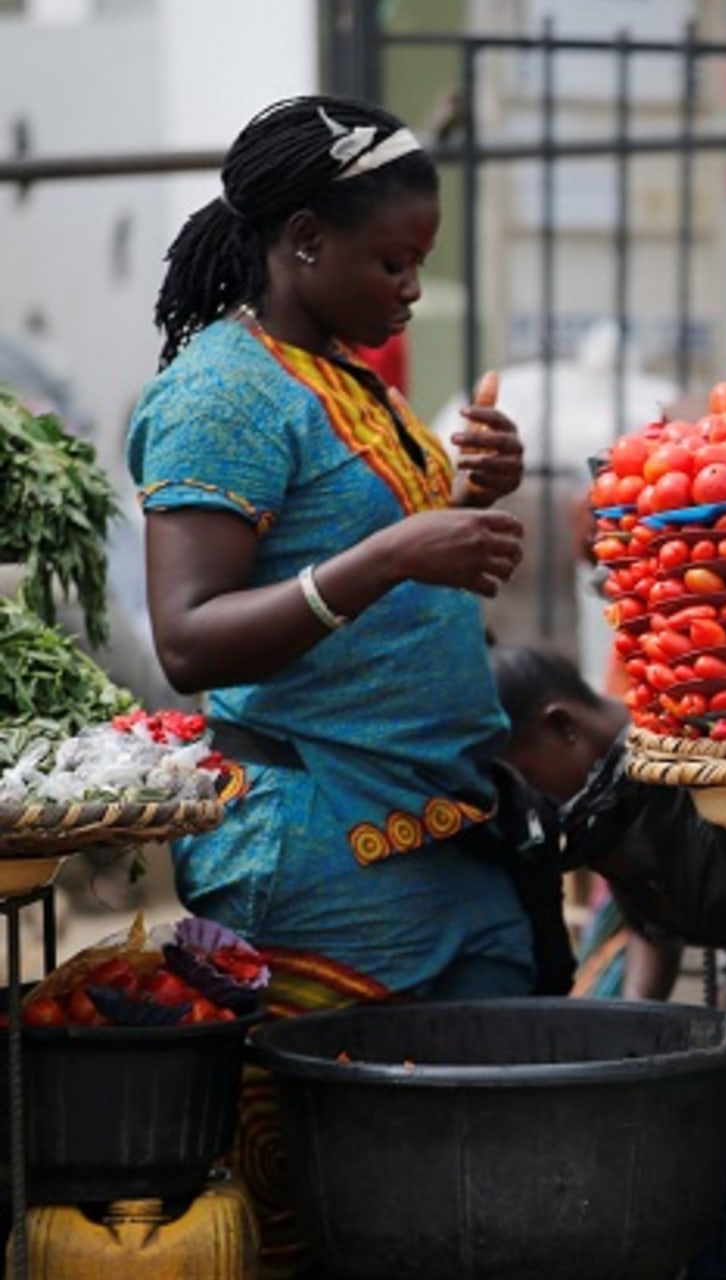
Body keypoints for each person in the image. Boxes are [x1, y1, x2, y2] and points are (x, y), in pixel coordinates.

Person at [128, 95, 530, 1277]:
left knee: (482, 1176)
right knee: (349, 1197)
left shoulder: (338, 374)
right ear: (304, 241)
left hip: (438, 836)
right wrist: (394, 552)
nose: (412, 287)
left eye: (422, 261)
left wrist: (464, 495)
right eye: (392, 260)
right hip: (316, 858)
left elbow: (362, 553)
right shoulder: (224, 394)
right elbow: (189, 637)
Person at [489, 645, 726, 1007]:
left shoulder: (684, 740)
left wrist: (717, 1022)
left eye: (528, 778)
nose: (530, 803)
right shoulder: (603, 800)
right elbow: (650, 921)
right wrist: (639, 1018)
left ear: (563, 727)